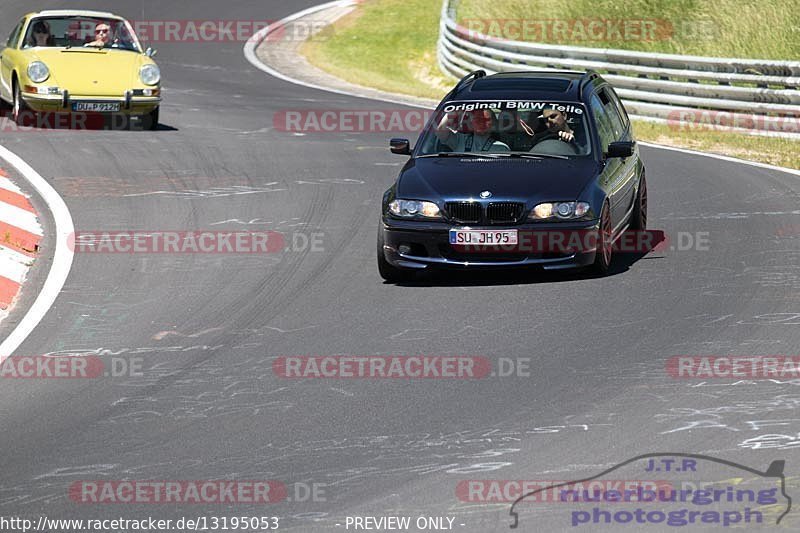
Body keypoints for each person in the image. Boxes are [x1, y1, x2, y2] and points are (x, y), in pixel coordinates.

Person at [435, 109, 510, 152]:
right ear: (471, 123)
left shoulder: (501, 148)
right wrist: (456, 110)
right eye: (477, 119)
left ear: (494, 124)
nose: (481, 122)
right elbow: (440, 131)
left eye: (486, 119)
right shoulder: (460, 140)